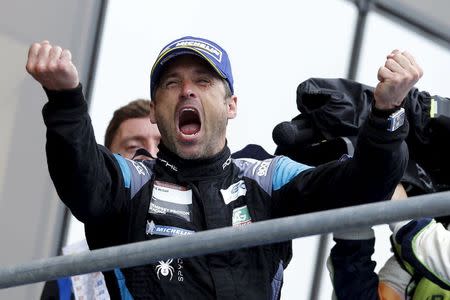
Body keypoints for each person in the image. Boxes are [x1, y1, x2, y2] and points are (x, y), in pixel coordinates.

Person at [27, 36, 417, 299]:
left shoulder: (266, 178)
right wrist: (65, 101)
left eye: (204, 80)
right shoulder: (134, 181)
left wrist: (386, 116)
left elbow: (364, 187)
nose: (187, 90)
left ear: (231, 105)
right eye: (170, 84)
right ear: (155, 112)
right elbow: (83, 178)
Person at [41, 99, 161, 299]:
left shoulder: (203, 244)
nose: (150, 154)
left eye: (162, 145)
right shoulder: (70, 272)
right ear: (107, 161)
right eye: (133, 146)